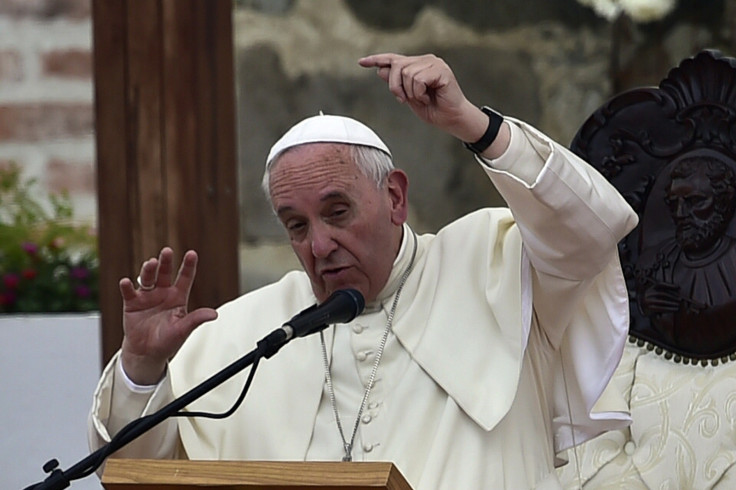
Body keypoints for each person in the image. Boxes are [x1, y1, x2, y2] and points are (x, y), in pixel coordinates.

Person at [88, 53, 638, 489]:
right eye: (296, 226)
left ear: (395, 196)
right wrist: (142, 368)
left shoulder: (497, 266)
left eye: (337, 212)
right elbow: (144, 473)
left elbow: (592, 228)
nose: (320, 244)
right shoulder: (240, 335)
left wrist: (473, 124)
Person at [635, 154, 736, 355]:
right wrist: (644, 303)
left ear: (723, 203)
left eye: (695, 201)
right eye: (674, 203)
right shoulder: (655, 262)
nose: (680, 213)